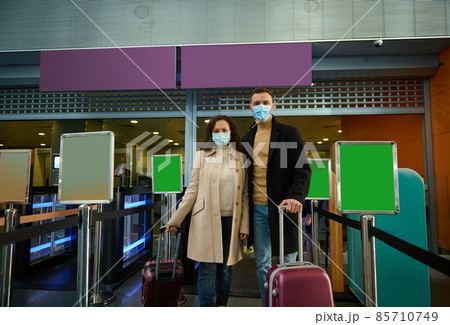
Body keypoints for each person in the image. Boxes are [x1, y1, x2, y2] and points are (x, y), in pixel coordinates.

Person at [166, 115, 249, 307]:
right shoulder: (201, 155)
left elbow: (244, 194)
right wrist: (175, 219)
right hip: (206, 219)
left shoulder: (242, 157)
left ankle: (221, 305)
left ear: (231, 133)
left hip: (232, 220)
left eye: (224, 130)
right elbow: (192, 189)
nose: (221, 134)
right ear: (211, 134)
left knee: (225, 269)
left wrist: (244, 224)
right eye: (216, 131)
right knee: (207, 269)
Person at [241, 87, 311, 306]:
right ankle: (269, 307)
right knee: (261, 263)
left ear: (273, 106)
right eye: (256, 103)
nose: (260, 106)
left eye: (265, 102)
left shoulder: (290, 132)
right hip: (257, 209)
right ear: (250, 107)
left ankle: (287, 307)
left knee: (287, 260)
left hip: (283, 208)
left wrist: (296, 196)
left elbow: (303, 170)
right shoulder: (247, 137)